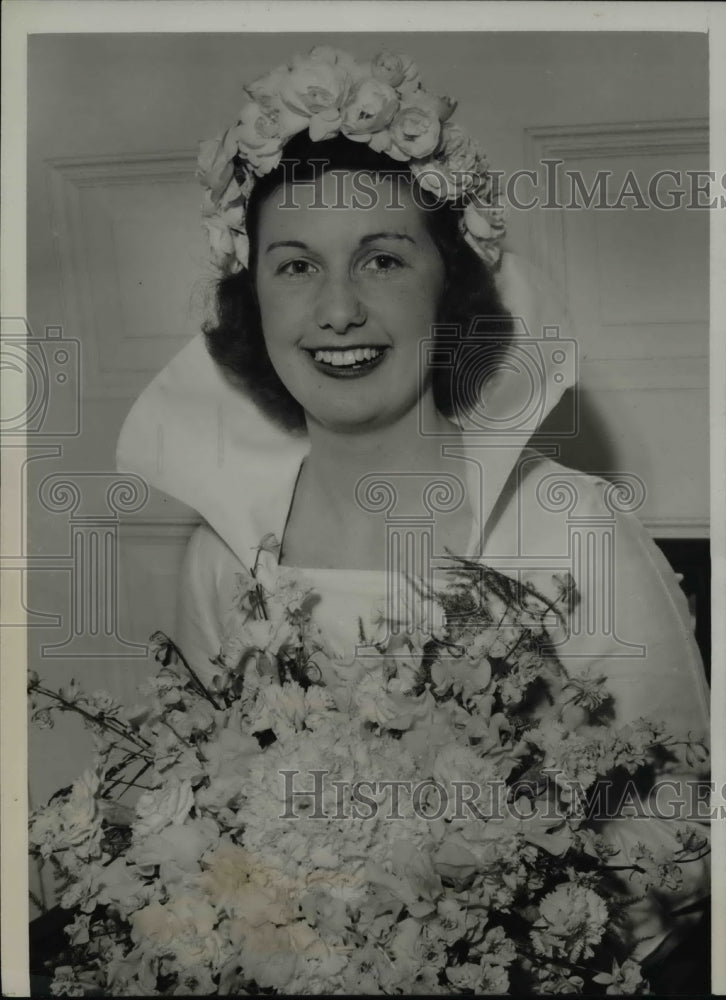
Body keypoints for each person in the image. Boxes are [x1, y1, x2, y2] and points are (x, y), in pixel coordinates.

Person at [117, 46, 709, 986]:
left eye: (383, 258)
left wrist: (485, 940)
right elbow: (198, 821)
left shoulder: (573, 529)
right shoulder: (224, 553)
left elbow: (682, 835)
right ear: (252, 300)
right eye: (296, 265)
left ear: (451, 288)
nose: (338, 308)